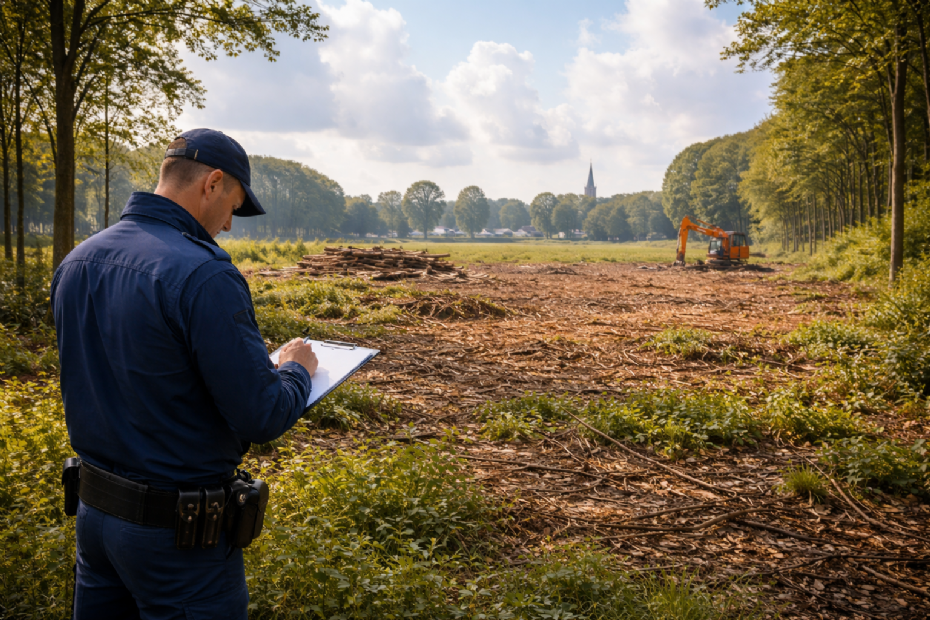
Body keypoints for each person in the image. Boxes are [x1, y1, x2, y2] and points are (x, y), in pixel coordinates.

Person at [51, 128, 317, 619]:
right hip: (178, 540)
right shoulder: (203, 274)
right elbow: (262, 416)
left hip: (95, 519)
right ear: (212, 183)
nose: (231, 226)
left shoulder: (78, 260)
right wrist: (296, 371)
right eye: (234, 207)